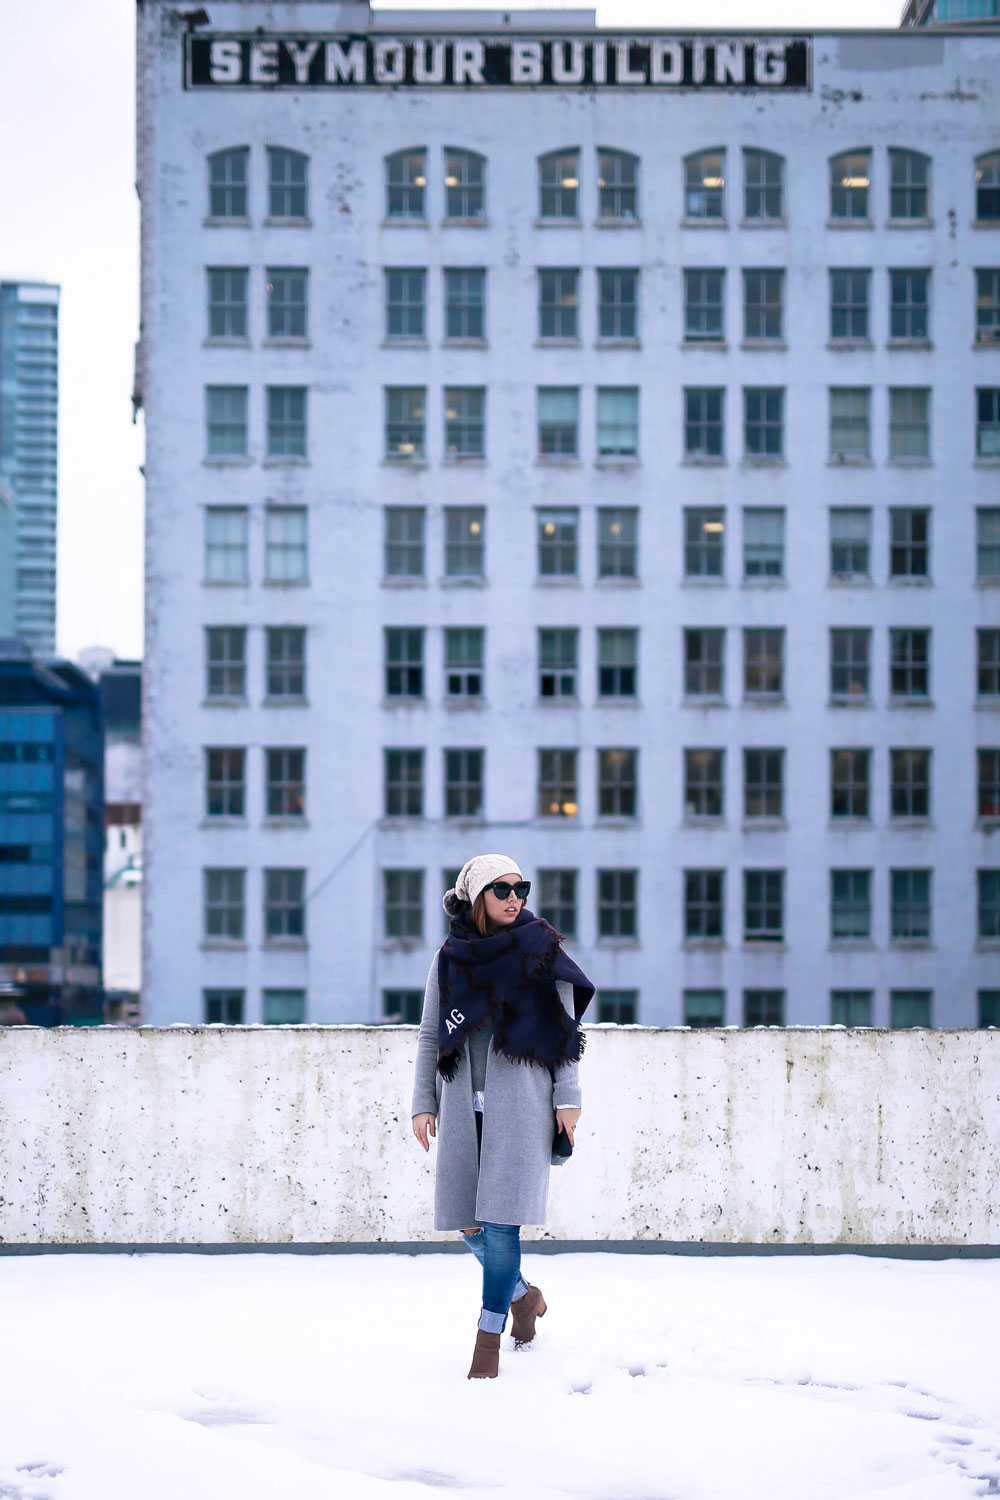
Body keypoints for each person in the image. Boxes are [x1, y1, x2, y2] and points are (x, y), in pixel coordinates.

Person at [411, 853, 594, 1380]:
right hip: (463, 1110)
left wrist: (568, 1097)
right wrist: (424, 1102)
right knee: (471, 1226)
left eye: (521, 888)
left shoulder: (542, 952)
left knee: (502, 1227)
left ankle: (486, 1345)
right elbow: (430, 1034)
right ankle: (524, 1298)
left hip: (523, 1107)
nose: (516, 898)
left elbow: (564, 1036)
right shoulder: (450, 958)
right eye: (502, 889)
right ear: (476, 899)